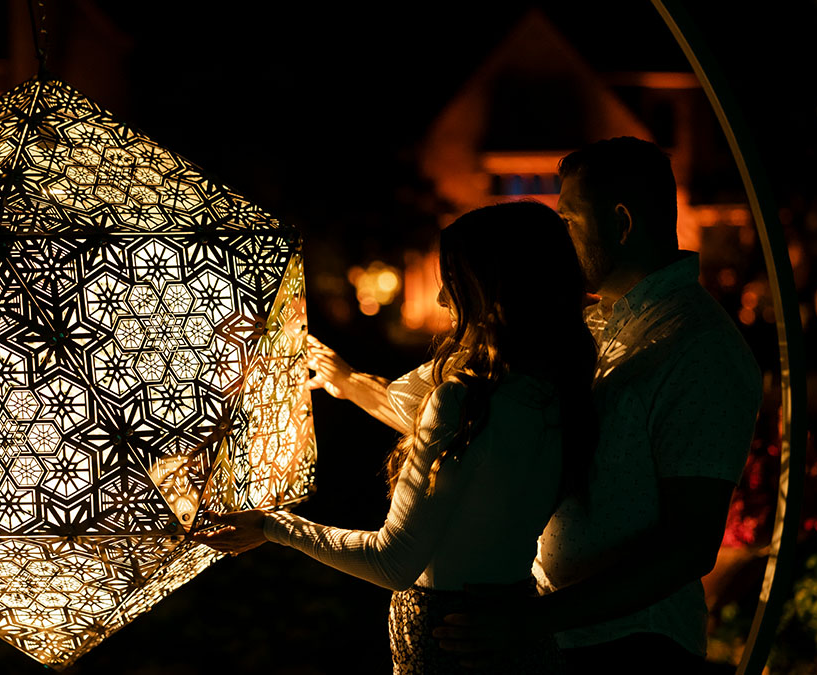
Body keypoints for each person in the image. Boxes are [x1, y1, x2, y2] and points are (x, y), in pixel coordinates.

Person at [193, 200, 598, 674]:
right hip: (518, 633)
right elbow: (451, 435)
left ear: (489, 288)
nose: (445, 298)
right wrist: (349, 382)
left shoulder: (466, 402)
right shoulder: (559, 389)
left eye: (453, 279)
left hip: (449, 642)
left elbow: (393, 563)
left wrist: (274, 527)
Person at [425, 137, 764, 673]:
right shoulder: (596, 324)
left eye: (569, 222)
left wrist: (529, 620)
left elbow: (690, 543)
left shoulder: (697, 348)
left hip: (634, 650)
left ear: (622, 224)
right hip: (566, 637)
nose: (558, 241)